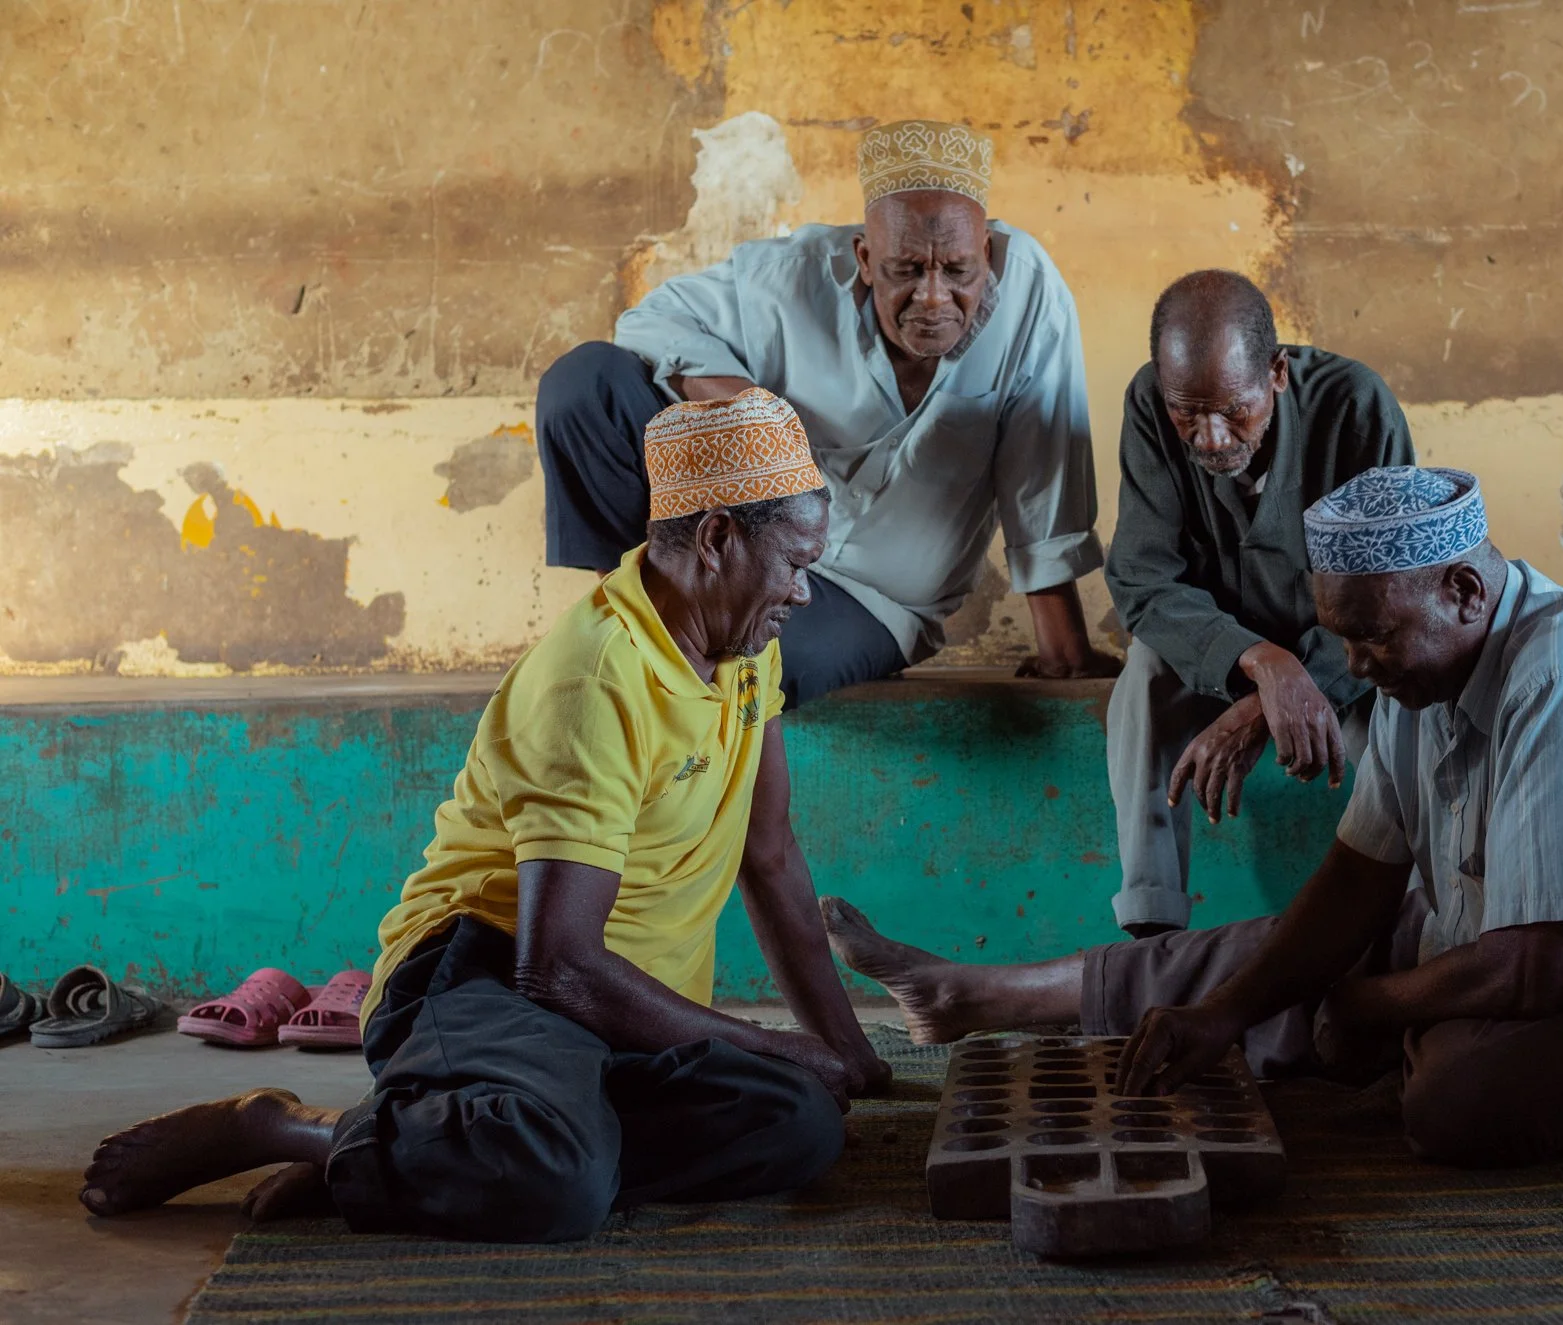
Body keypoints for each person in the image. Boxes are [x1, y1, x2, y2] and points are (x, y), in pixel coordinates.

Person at [80, 391, 893, 1241]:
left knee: (801, 1123)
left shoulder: (746, 648)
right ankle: (291, 1128)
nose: (805, 593)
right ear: (719, 538)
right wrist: (764, 1044)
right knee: (561, 1183)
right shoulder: (595, 680)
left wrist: (849, 1056)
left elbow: (769, 855)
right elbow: (559, 970)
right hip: (486, 974)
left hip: (615, 1014)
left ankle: (432, 1152)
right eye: (796, 564)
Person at [823, 465, 1563, 1167]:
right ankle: (976, 994)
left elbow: (1533, 967)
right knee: (1267, 955)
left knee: (1454, 1103)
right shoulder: (1421, 679)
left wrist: (1373, 1003)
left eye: (1371, 639)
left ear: (1462, 591)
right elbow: (1354, 882)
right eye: (1340, 641)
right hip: (1498, 950)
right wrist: (1227, 1011)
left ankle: (1390, 1040)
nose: (1356, 667)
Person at [536, 119, 1119, 709]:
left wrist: (1064, 651)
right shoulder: (790, 277)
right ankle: (627, 611)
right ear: (864, 258)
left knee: (752, 666)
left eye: (958, 272)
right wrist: (752, 411)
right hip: (746, 557)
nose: (935, 298)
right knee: (586, 384)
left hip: (874, 600)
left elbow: (1042, 467)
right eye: (907, 271)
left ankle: (663, 636)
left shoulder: (1031, 295)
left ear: (986, 256)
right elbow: (649, 322)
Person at [1104, 271, 1414, 937]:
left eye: (1233, 411)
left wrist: (1280, 694)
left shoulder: (1356, 406)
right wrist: (1260, 663)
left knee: (1408, 728)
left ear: (1276, 372)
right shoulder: (1149, 405)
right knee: (1142, 680)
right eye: (1188, 411)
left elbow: (1390, 589)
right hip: (1221, 658)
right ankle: (1152, 932)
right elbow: (1142, 578)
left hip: (1342, 664)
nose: (1211, 437)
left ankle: (1423, 921)